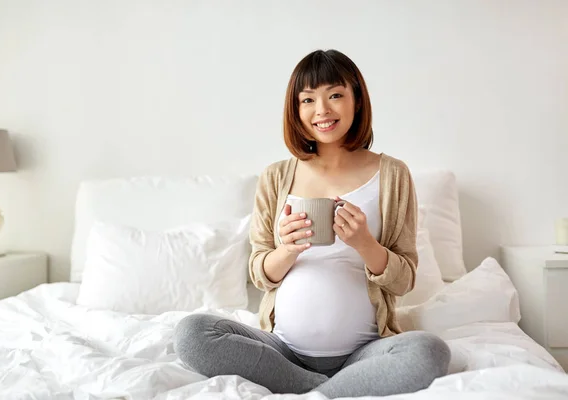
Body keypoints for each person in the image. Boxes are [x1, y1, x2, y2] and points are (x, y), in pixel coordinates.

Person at [174, 49, 451, 398]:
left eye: (335, 95)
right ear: (296, 109)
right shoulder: (276, 177)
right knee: (192, 333)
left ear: (358, 101)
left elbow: (405, 279)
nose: (322, 110)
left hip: (363, 354)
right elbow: (260, 273)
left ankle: (312, 391)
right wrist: (287, 249)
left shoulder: (392, 174)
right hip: (282, 352)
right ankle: (324, 391)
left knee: (430, 352)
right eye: (308, 100)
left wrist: (365, 243)